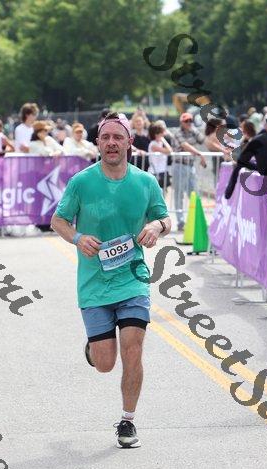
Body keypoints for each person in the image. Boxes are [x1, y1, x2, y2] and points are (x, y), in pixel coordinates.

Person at [50, 112, 171, 449]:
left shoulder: (145, 182)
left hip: (133, 279)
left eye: (118, 137)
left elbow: (165, 219)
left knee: (133, 349)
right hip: (94, 284)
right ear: (98, 143)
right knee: (106, 364)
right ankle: (95, 348)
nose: (112, 143)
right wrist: (78, 239)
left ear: (130, 142)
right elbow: (58, 220)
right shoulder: (82, 182)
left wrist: (155, 227)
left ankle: (128, 421)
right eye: (106, 138)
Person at [170, 112, 206, 230]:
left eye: (190, 120)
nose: (189, 123)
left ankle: (196, 220)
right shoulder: (177, 133)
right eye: (186, 121)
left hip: (191, 166)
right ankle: (180, 222)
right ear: (181, 122)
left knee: (194, 193)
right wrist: (199, 154)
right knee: (179, 194)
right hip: (179, 166)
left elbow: (203, 140)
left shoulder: (193, 131)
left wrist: (194, 129)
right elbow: (185, 145)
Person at [148, 122, 172, 188]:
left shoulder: (160, 143)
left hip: (162, 171)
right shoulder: (153, 144)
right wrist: (163, 140)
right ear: (156, 134)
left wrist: (162, 140)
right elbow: (169, 150)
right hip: (155, 172)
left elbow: (169, 151)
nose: (163, 134)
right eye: (161, 132)